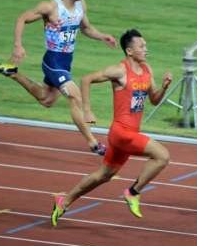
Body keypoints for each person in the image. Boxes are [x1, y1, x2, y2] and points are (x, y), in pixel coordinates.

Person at [51, 29, 173, 226]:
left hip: (128, 135)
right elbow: (86, 79)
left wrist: (164, 87)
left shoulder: (147, 70)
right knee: (162, 156)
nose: (145, 49)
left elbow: (154, 99)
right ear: (129, 51)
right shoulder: (120, 70)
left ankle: (64, 201)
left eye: (145, 46)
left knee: (104, 175)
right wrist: (88, 111)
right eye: (141, 46)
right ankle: (132, 193)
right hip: (120, 133)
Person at [0, 0, 116, 154]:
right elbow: (22, 18)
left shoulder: (81, 5)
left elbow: (86, 28)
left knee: (46, 99)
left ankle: (13, 73)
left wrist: (102, 36)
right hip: (52, 61)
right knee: (75, 96)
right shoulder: (50, 7)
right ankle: (93, 143)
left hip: (66, 62)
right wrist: (18, 46)